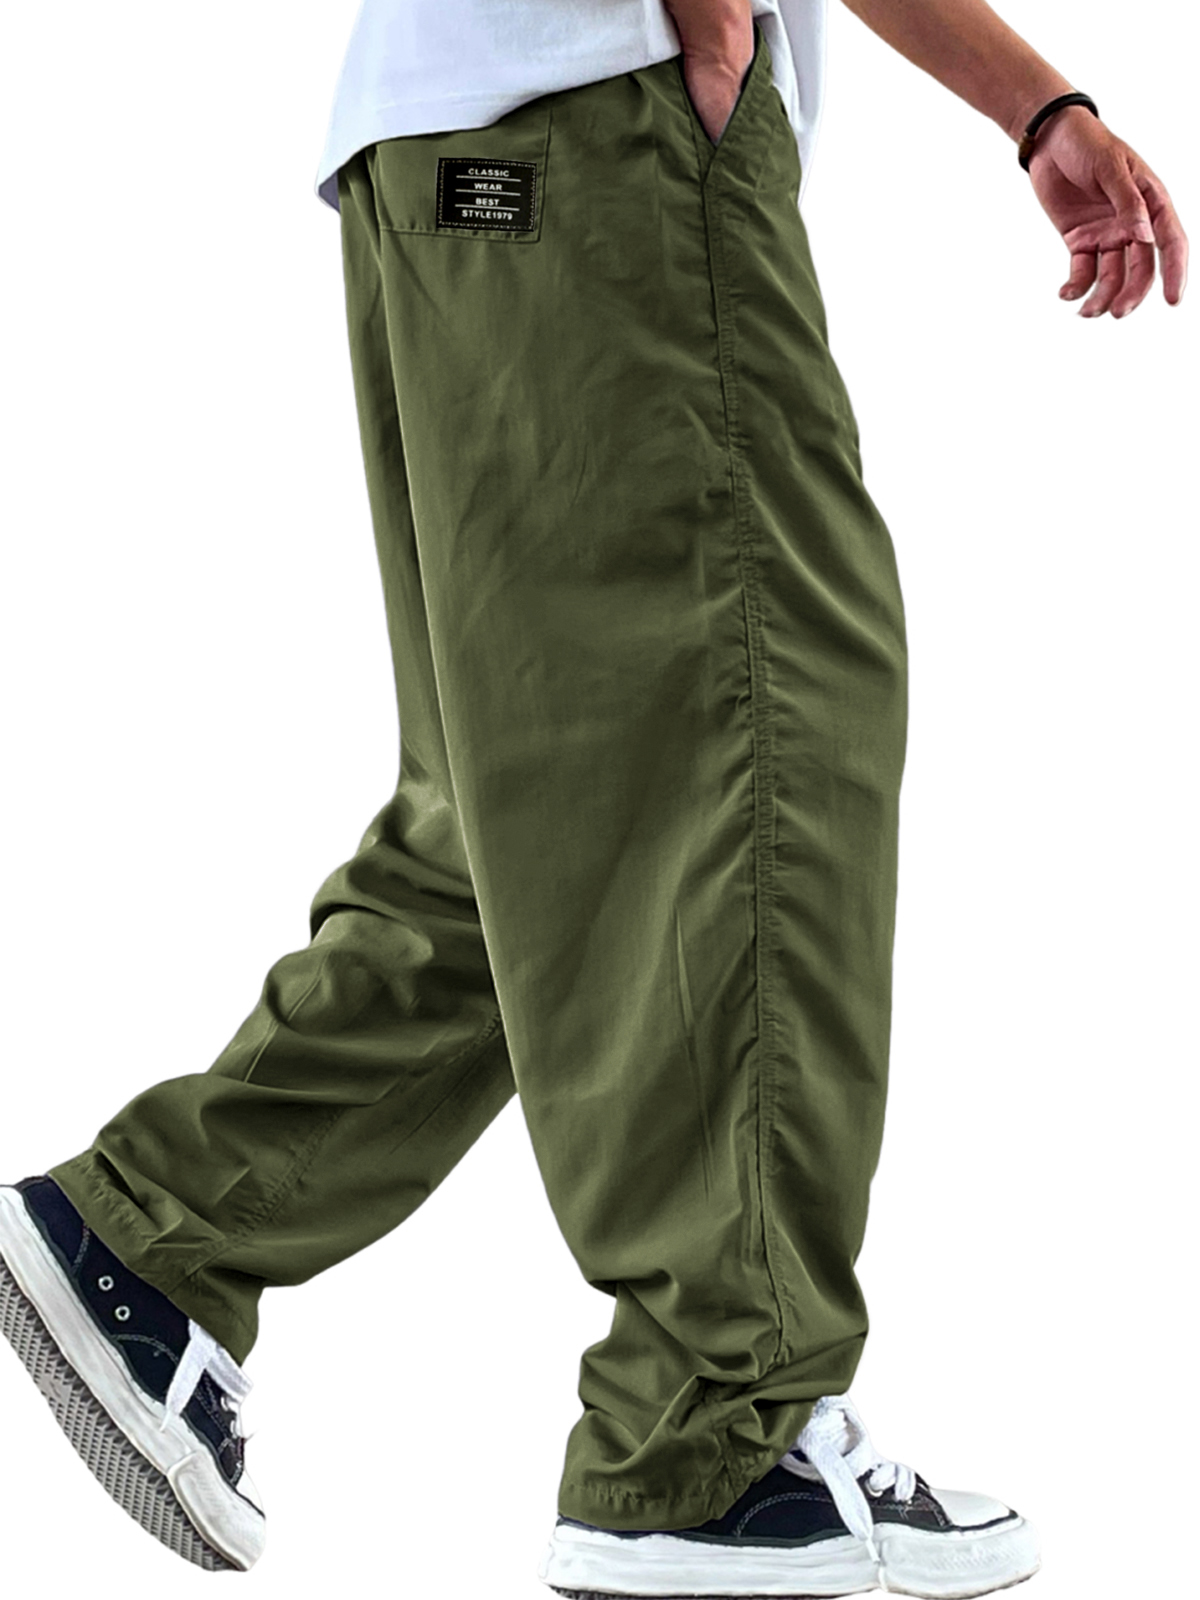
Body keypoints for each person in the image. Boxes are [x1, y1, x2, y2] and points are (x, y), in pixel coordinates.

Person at [0, 0, 1187, 1594]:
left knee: (533, 804)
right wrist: (709, 36)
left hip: (459, 141)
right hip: (607, 118)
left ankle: (153, 1231)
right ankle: (718, 1435)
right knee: (767, 726)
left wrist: (1036, 106)